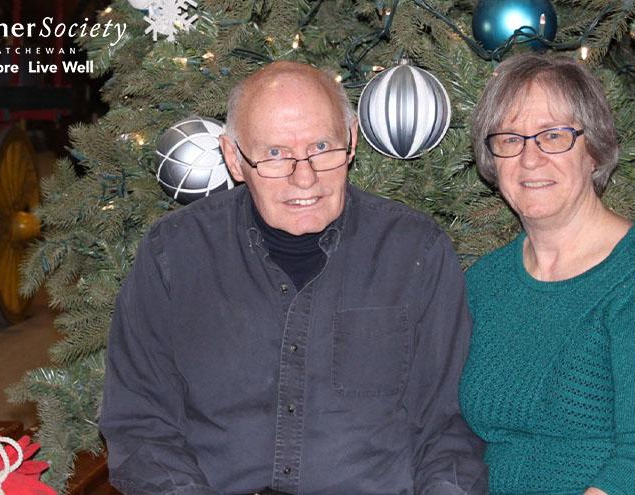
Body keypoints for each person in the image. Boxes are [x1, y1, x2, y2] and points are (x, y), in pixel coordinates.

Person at [100, 61, 486, 494]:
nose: (305, 177)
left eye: (321, 146)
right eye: (275, 154)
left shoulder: (416, 251)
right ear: (233, 158)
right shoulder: (173, 254)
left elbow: (450, 429)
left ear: (352, 141)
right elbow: (140, 425)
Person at [459, 53, 635, 495]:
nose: (529, 159)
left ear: (592, 151)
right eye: (510, 139)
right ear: (492, 160)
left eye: (553, 136)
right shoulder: (483, 285)